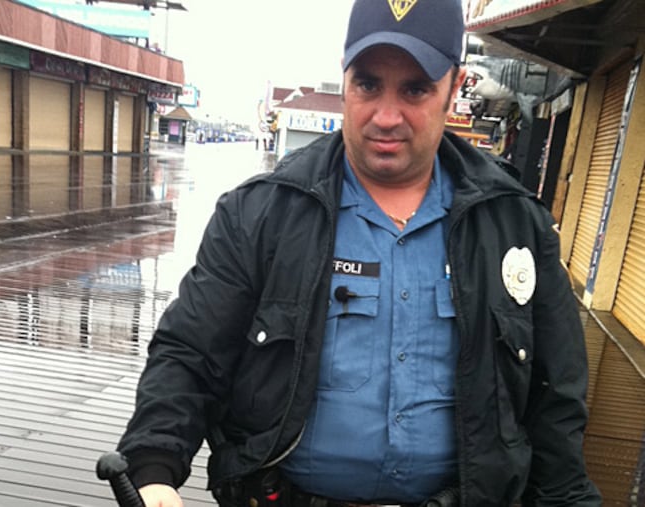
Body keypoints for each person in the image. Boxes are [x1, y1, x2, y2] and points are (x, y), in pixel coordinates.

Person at [117, 0, 602, 505]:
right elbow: (190, 354)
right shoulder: (259, 215)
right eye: (368, 84)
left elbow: (557, 396)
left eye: (415, 88)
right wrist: (154, 471)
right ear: (345, 79)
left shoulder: (514, 223)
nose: (386, 116)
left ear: (454, 89)